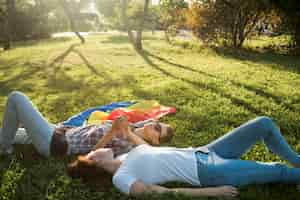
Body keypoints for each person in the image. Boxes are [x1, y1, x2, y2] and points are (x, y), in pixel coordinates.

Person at [68, 116, 300, 198]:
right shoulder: (121, 179)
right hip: (209, 173)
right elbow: (165, 193)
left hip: (208, 151)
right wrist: (213, 192)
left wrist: (125, 130)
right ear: (94, 161)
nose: (95, 149)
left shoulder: (126, 155)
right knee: (277, 170)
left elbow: (133, 137)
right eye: (91, 153)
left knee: (263, 124)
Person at [0, 91, 173, 157]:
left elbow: (93, 156)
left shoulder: (130, 147)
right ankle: (4, 140)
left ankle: (4, 147)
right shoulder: (135, 127)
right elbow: (146, 120)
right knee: (7, 129)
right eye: (156, 122)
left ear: (156, 141)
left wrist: (112, 133)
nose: (152, 123)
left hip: (54, 143)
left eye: (157, 129)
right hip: (60, 130)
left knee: (16, 98)